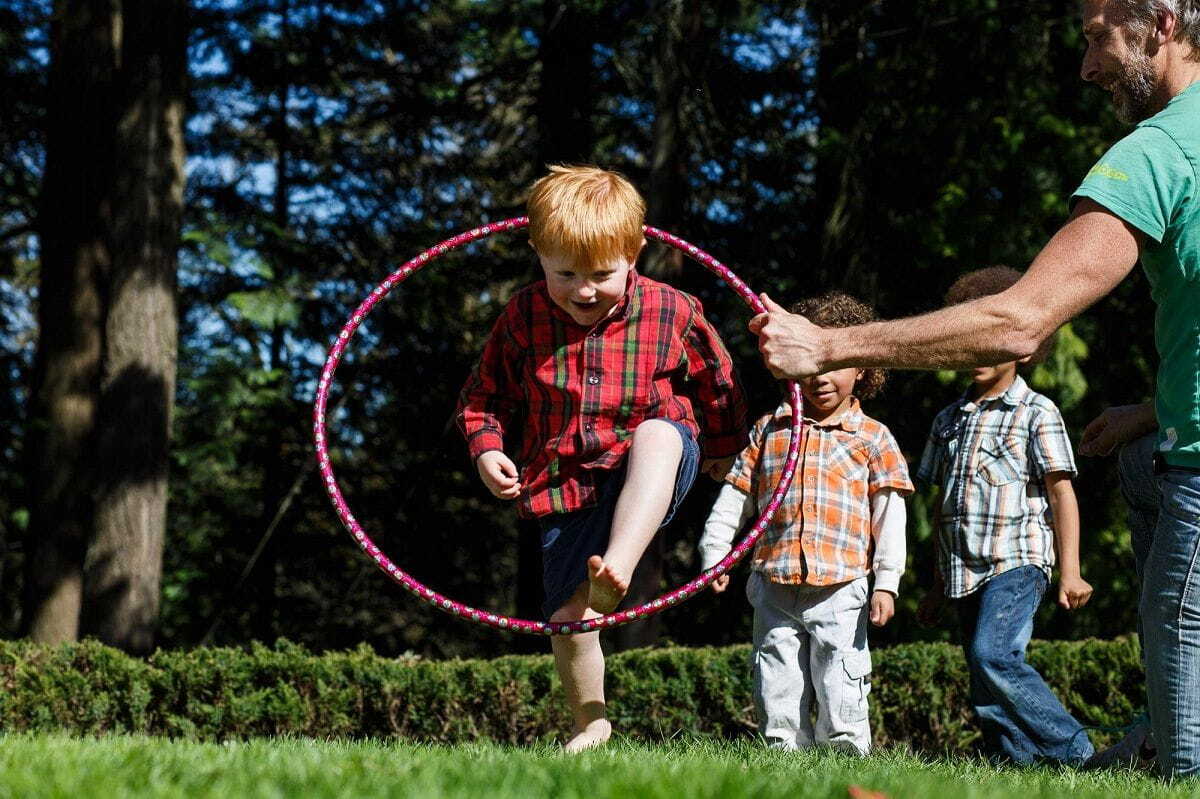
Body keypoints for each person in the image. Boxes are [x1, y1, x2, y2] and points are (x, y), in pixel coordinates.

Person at [751, 0, 1200, 777]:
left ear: (1160, 21)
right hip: (1173, 438)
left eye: (1098, 37)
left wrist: (827, 345)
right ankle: (1159, 726)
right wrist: (1155, 409)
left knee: (1186, 757)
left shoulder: (1159, 150)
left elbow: (1019, 322)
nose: (1087, 67)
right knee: (1138, 466)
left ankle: (1173, 745)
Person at [456, 164, 748, 752]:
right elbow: (484, 396)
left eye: (601, 274)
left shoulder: (672, 309)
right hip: (564, 484)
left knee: (658, 434)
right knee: (568, 620)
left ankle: (619, 562)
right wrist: (488, 451)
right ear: (538, 253)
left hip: (654, 467)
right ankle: (591, 723)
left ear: (634, 253)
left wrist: (723, 448)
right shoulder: (523, 316)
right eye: (565, 274)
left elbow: (719, 383)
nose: (584, 291)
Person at [698, 292, 911, 755]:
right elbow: (735, 496)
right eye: (812, 364)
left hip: (842, 585)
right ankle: (782, 752)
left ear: (862, 368)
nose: (821, 377)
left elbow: (889, 515)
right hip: (774, 582)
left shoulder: (873, 438)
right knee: (776, 673)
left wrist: (887, 582)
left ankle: (846, 752)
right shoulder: (769, 431)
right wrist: (716, 554)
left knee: (840, 674)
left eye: (834, 363)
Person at [915, 267, 1094, 766]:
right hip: (962, 569)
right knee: (983, 678)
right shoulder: (947, 421)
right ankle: (1018, 767)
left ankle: (1077, 750)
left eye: (991, 341)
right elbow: (943, 507)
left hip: (1017, 559)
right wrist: (936, 586)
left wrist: (1071, 570)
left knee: (994, 655)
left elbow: (1061, 494)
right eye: (969, 340)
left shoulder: (1036, 412)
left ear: (1025, 348)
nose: (978, 352)